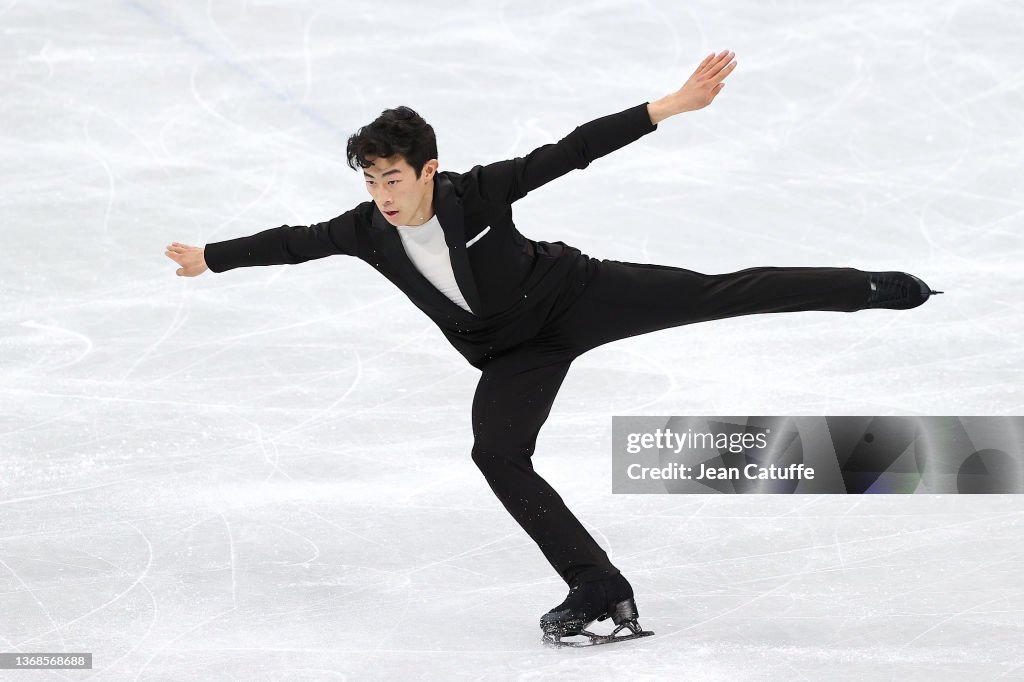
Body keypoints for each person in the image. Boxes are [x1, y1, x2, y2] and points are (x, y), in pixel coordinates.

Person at [165, 50, 940, 645]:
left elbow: (570, 150)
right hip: (512, 353)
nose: (383, 196)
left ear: (429, 169)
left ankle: (864, 286)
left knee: (717, 291)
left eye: (394, 177)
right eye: (372, 181)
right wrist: (212, 256)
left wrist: (670, 105)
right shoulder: (365, 231)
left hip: (576, 296)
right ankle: (599, 588)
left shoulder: (479, 192)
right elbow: (293, 242)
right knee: (496, 454)